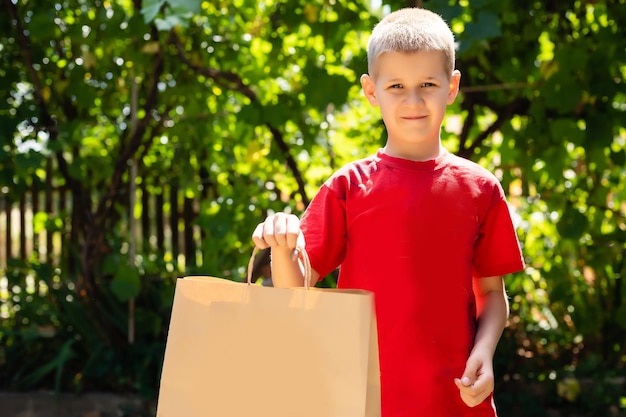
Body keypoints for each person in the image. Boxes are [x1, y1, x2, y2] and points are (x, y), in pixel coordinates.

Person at [252, 7, 525, 417]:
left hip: (454, 398)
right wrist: (283, 245)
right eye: (396, 85)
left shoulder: (481, 189)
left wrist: (485, 354)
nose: (413, 100)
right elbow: (296, 290)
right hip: (360, 400)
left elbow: (491, 295)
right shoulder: (347, 187)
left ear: (451, 87)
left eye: (428, 84)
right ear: (370, 90)